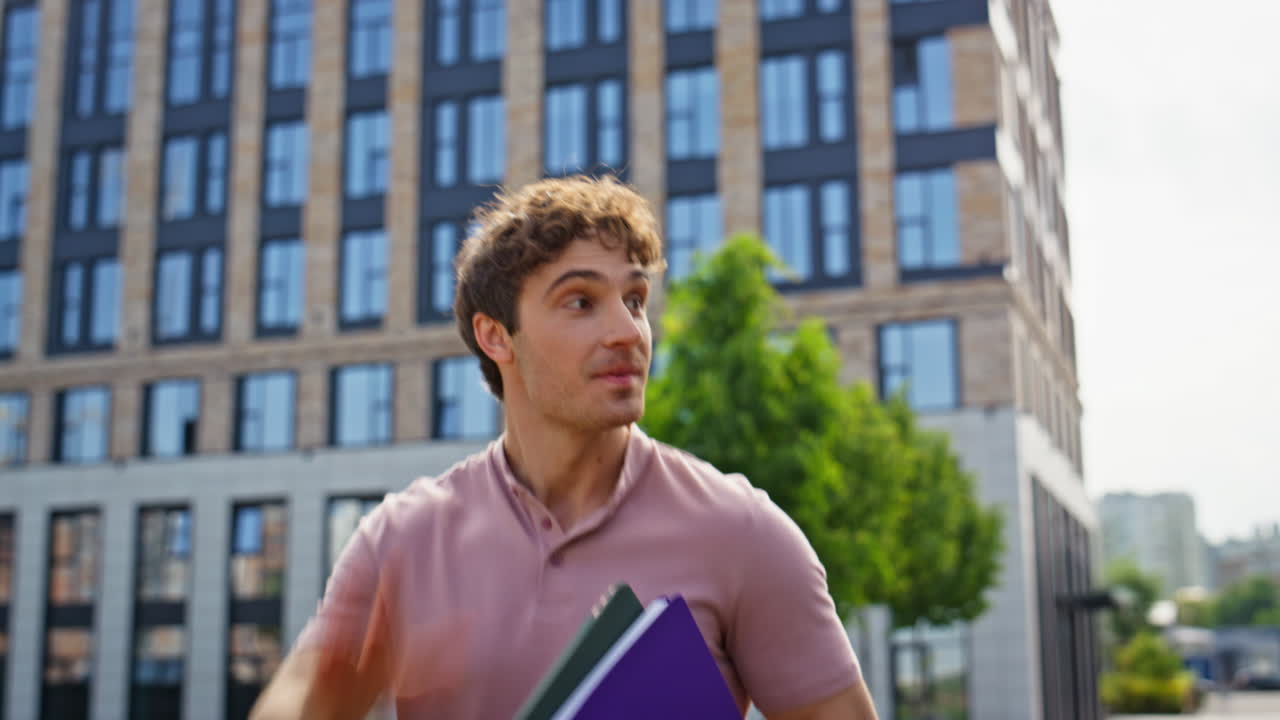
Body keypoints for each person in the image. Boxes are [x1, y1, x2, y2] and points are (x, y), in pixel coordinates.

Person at [249, 176, 879, 720]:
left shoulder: (743, 534)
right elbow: (304, 698)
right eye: (581, 302)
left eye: (635, 300)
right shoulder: (402, 542)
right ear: (496, 337)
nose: (628, 332)